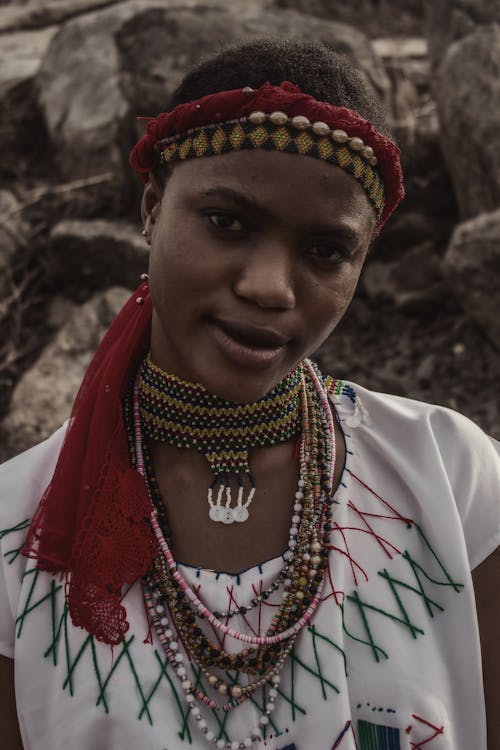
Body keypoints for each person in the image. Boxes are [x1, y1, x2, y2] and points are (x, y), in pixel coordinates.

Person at [0, 38, 499, 750]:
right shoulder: (14, 535)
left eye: (327, 250)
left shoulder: (456, 483)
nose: (269, 286)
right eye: (227, 222)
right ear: (151, 208)